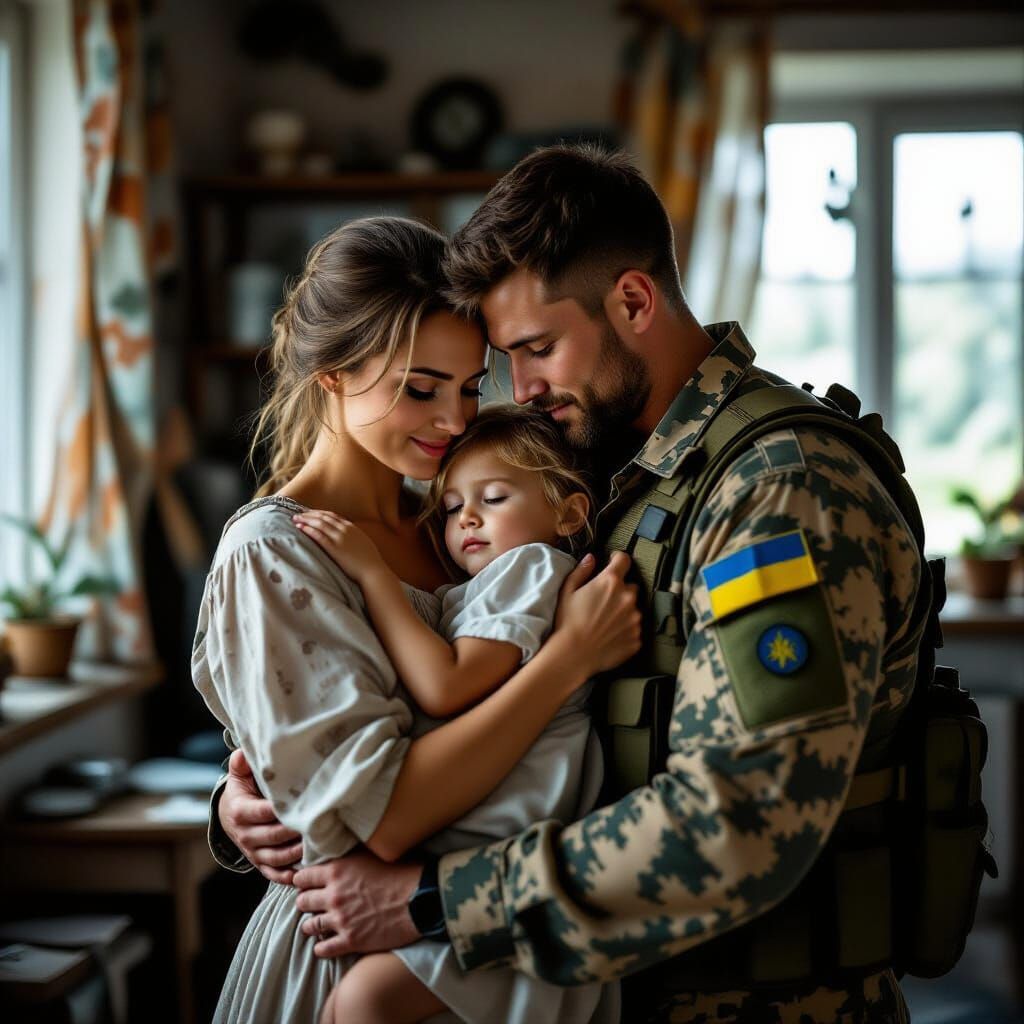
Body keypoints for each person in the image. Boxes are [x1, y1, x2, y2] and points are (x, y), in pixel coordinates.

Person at [215, 147, 927, 1024]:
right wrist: (261, 800)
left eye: (536, 349)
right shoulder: (602, 464)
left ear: (632, 300)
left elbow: (742, 819)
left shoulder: (778, 489)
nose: (515, 394)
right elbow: (433, 697)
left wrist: (439, 901)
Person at [192, 215, 640, 1023]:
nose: (454, 421)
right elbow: (385, 819)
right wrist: (566, 662)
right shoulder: (276, 555)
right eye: (419, 388)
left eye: (469, 387)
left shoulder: (462, 522)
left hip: (502, 932)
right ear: (332, 374)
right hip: (353, 959)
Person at [294, 405, 619, 1024]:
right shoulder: (483, 587)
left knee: (364, 1004)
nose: (466, 518)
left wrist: (371, 574)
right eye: (450, 509)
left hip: (498, 853)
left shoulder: (529, 568)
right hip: (479, 846)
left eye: (493, 498)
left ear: (568, 512)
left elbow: (447, 688)